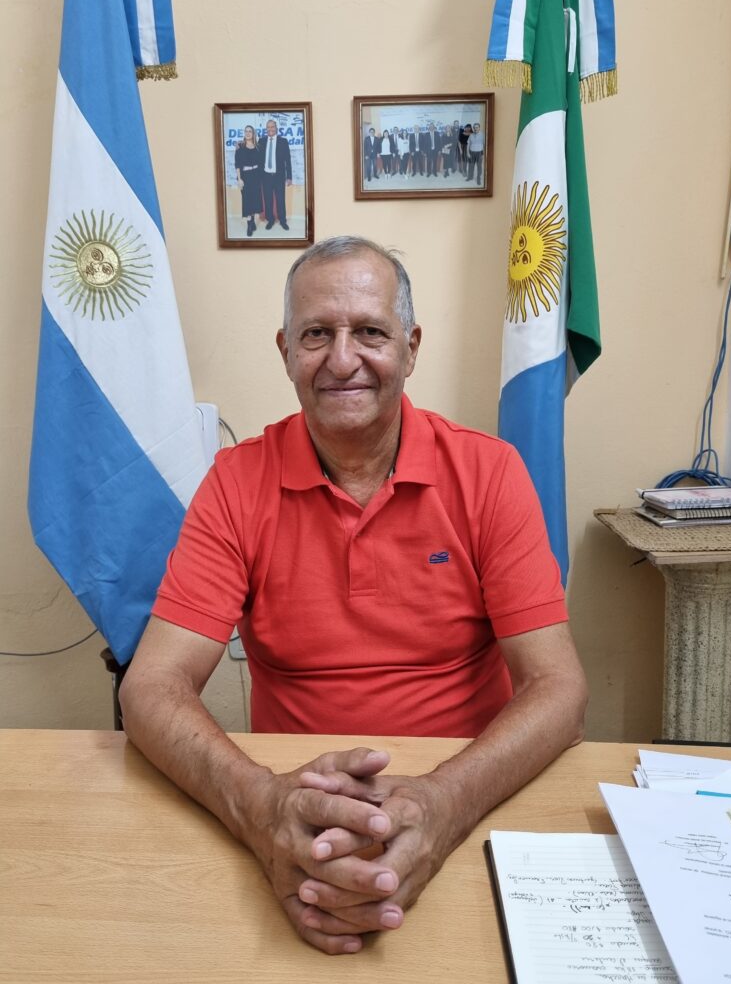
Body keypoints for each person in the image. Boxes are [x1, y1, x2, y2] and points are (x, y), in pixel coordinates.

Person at [119, 236, 587, 957]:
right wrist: (262, 807)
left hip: (469, 802)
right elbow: (150, 688)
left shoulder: (490, 473)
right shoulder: (234, 483)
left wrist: (443, 804)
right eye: (316, 335)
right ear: (285, 352)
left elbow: (558, 688)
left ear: (410, 347)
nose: (342, 360)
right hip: (293, 814)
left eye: (370, 331)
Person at [257, 119, 292, 231]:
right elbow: (253, 152)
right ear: (266, 129)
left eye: (272, 127)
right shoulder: (261, 141)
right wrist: (240, 144)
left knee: (280, 200)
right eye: (268, 127)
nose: (270, 129)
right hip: (266, 176)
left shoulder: (283, 141)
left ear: (276, 128)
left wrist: (289, 177)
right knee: (268, 200)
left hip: (279, 176)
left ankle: (283, 221)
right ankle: (270, 220)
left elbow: (288, 160)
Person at [234, 125, 262, 237]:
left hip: (256, 176)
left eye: (250, 131)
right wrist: (239, 179)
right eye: (246, 131)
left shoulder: (258, 147)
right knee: (247, 200)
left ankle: (252, 222)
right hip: (245, 177)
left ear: (253, 133)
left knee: (255, 199)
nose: (248, 133)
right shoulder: (240, 147)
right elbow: (237, 165)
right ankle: (250, 224)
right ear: (244, 133)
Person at [466, 122, 485, 186]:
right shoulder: (471, 135)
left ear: (479, 128)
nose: (475, 129)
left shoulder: (482, 135)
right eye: (474, 127)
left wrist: (483, 154)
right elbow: (468, 144)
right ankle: (470, 177)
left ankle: (478, 179)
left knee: (479, 166)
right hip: (472, 152)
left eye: (477, 127)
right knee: (471, 165)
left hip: (479, 153)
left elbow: (484, 145)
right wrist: (468, 152)